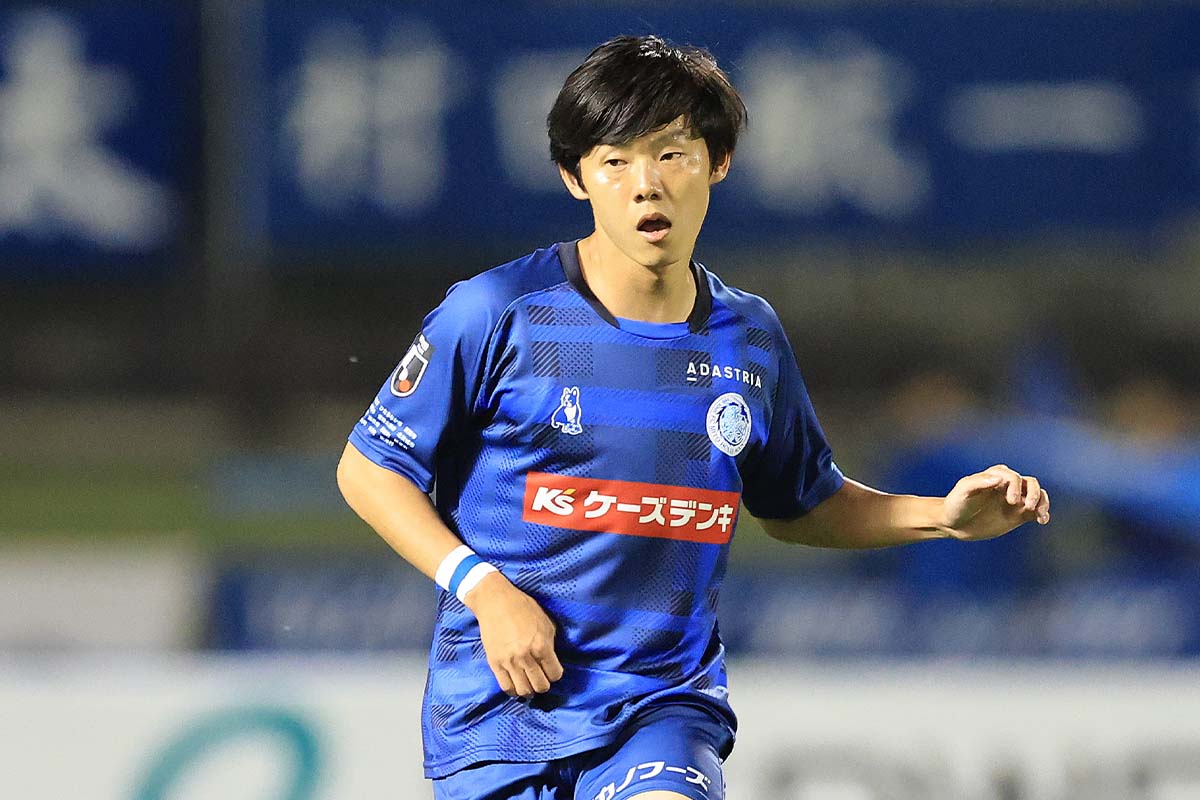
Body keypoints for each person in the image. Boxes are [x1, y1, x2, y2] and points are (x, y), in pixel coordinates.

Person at [336, 34, 1050, 800]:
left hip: (663, 704)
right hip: (501, 715)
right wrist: (483, 588)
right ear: (575, 178)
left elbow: (803, 504)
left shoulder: (749, 338)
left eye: (671, 154)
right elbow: (370, 469)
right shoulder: (497, 312)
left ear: (718, 161)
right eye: (615, 162)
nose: (646, 185)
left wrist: (941, 516)